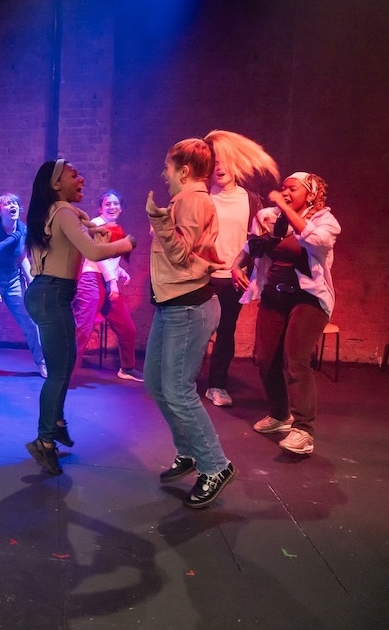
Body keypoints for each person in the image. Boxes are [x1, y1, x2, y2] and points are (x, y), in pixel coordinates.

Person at [23, 160, 135, 475]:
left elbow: (87, 239)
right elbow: (95, 252)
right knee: (59, 373)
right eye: (74, 174)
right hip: (51, 294)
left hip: (51, 294)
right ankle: (44, 440)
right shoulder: (63, 212)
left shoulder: (62, 213)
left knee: (65, 366)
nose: (81, 178)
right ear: (56, 185)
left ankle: (56, 424)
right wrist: (127, 244)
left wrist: (99, 231)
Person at [144, 138, 235, 509]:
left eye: (167, 167)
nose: (163, 174)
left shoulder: (194, 200)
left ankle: (216, 465)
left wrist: (158, 218)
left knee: (179, 390)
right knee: (155, 382)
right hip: (172, 306)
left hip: (189, 308)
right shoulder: (185, 201)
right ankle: (190, 452)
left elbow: (182, 256)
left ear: (183, 171)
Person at [233, 172, 339, 455]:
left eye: (292, 189)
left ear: (311, 194)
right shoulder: (270, 217)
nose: (285, 192)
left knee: (296, 359)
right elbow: (251, 246)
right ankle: (280, 414)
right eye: (283, 188)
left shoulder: (325, 221)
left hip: (309, 299)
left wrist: (287, 208)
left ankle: (304, 431)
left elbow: (314, 241)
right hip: (274, 295)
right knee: (265, 358)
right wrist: (237, 266)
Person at [201, 130, 273, 407]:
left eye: (224, 162)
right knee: (197, 331)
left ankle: (217, 385)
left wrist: (245, 267)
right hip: (202, 277)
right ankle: (183, 381)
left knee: (226, 331)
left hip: (234, 277)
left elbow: (257, 241)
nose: (219, 168)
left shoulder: (251, 200)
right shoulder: (201, 198)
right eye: (214, 163)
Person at [0, 193, 45, 381]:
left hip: (13, 279)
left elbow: (22, 258)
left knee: (31, 322)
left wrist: (31, 283)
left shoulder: (22, 229)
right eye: (8, 203)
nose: (13, 205)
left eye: (15, 203)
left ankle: (42, 363)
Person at [71, 189, 142, 381]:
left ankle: (127, 368)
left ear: (121, 207)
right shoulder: (96, 224)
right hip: (92, 282)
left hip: (106, 280)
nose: (112, 207)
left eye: (115, 204)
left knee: (127, 329)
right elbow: (97, 255)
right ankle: (64, 374)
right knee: (82, 331)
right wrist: (112, 281)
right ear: (100, 208)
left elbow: (109, 258)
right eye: (107, 204)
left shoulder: (116, 228)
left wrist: (119, 271)